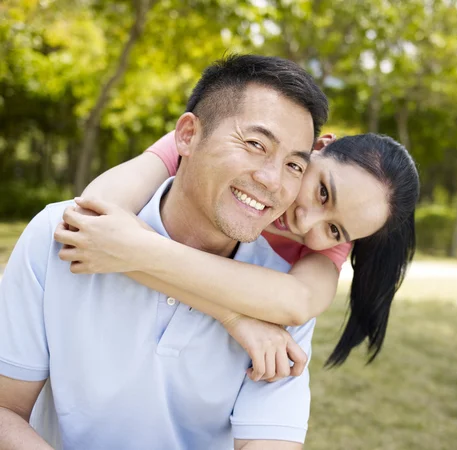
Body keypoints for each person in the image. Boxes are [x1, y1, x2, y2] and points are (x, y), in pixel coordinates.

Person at [0, 54, 329, 449]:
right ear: (188, 136)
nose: (272, 180)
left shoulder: (277, 297)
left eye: (294, 165)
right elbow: (5, 409)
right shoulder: (61, 233)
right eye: (256, 144)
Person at [55, 130, 419, 372]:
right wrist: (235, 317)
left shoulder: (328, 247)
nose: (305, 223)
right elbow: (91, 217)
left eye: (335, 230)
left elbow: (295, 304)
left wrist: (130, 247)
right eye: (323, 192)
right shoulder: (215, 146)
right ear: (319, 146)